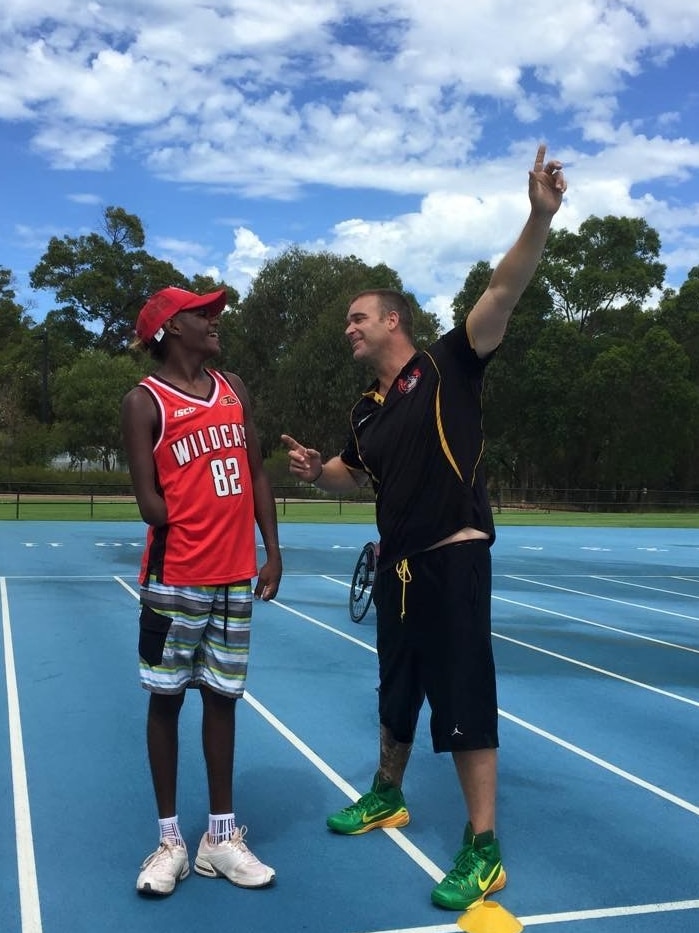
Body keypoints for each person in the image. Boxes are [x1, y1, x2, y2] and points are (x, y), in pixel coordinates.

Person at [281, 145, 566, 911]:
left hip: (453, 560)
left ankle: (483, 846)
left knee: (462, 698)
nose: (348, 328)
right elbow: (353, 473)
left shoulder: (450, 362)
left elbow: (504, 289)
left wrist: (537, 215)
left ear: (392, 319)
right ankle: (387, 792)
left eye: (356, 317)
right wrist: (318, 472)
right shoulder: (365, 410)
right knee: (396, 691)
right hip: (397, 568)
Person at [121, 285, 282, 897]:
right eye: (201, 313)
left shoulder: (234, 387)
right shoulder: (144, 401)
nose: (215, 319)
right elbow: (148, 502)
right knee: (166, 701)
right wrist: (198, 526)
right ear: (170, 329)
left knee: (223, 698)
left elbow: (256, 471)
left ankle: (220, 837)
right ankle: (169, 841)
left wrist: (270, 549)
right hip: (176, 578)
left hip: (236, 576)